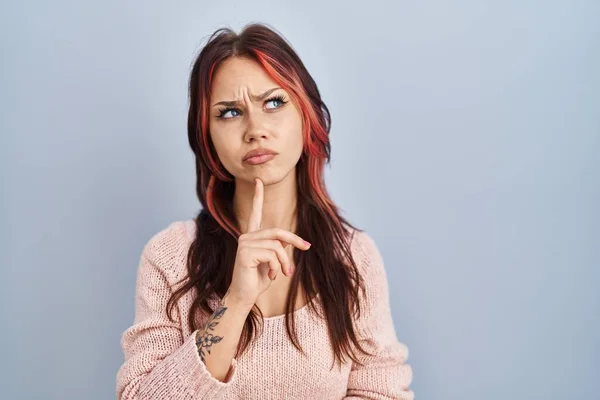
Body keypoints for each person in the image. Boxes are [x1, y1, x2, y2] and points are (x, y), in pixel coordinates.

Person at [116, 22, 414, 399]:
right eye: (229, 113)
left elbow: (382, 391)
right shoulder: (170, 257)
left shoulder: (352, 257)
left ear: (305, 115)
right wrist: (237, 301)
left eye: (273, 102)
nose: (255, 129)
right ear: (206, 135)